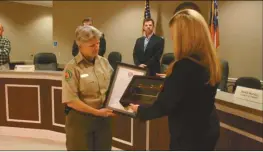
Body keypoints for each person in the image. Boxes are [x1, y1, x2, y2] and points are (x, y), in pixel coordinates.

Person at [130, 9, 222, 150]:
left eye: (174, 34)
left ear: (185, 37)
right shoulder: (209, 61)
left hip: (188, 136)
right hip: (208, 129)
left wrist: (140, 110)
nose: (172, 38)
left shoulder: (184, 67)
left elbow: (166, 104)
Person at [62, 25, 115, 150]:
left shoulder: (104, 63)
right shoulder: (72, 68)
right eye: (92, 45)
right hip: (81, 122)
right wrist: (97, 112)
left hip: (103, 122)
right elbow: (71, 101)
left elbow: (115, 86)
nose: (96, 47)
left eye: (98, 43)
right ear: (80, 45)